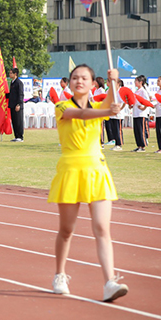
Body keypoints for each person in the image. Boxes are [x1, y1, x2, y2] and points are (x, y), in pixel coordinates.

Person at [49, 64, 128, 303]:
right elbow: (82, 115)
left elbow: (111, 103)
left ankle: (109, 282)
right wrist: (109, 112)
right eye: (75, 78)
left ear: (93, 84)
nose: (79, 81)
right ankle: (60, 275)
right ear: (70, 83)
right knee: (66, 230)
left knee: (102, 228)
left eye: (84, 78)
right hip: (71, 170)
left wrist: (116, 81)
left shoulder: (99, 106)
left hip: (97, 170)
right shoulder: (62, 106)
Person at [131, 75, 150, 152]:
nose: (135, 82)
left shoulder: (143, 91)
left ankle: (143, 146)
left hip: (141, 114)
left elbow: (147, 101)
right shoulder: (136, 91)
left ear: (141, 82)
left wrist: (144, 107)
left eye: (136, 81)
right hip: (135, 113)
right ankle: (138, 145)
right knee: (136, 131)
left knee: (141, 130)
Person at [7, 68, 24, 142]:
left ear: (15, 74)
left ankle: (20, 136)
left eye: (11, 73)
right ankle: (16, 136)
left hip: (17, 105)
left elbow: (20, 94)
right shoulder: (12, 82)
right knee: (14, 121)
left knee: (18, 121)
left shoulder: (19, 83)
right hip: (12, 105)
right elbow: (12, 94)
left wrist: (19, 104)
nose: (10, 74)